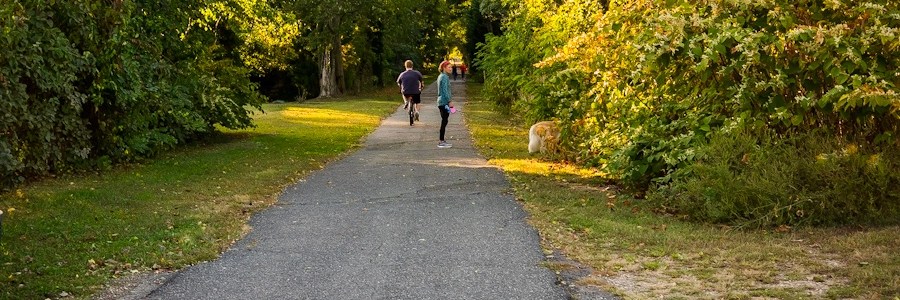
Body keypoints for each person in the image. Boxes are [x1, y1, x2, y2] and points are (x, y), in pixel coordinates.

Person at [396, 60, 424, 125]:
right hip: (415, 91)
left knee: (403, 94)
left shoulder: (402, 74)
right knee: (417, 102)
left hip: (406, 91)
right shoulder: (417, 73)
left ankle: (406, 102)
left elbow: (398, 82)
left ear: (405, 66)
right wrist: (421, 87)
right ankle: (416, 111)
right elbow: (421, 81)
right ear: (412, 66)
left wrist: (401, 87)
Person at [436, 60, 454, 148]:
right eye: (449, 67)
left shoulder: (441, 76)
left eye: (451, 67)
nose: (451, 69)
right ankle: (441, 141)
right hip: (444, 102)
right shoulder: (444, 77)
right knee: (444, 121)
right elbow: (445, 91)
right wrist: (449, 101)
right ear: (444, 68)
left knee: (445, 121)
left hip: (442, 102)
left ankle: (442, 140)